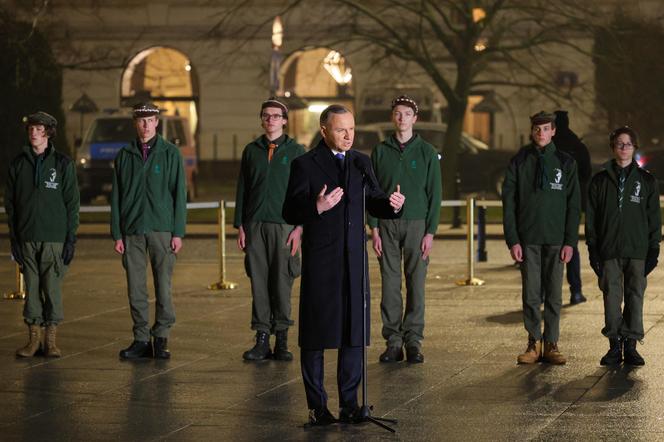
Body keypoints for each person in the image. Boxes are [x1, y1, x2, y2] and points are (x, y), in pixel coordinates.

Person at [283, 104, 405, 425]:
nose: (349, 136)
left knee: (354, 334)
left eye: (351, 129)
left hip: (354, 261)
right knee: (316, 335)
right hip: (322, 262)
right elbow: (289, 211)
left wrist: (391, 206)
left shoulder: (361, 163)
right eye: (341, 129)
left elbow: (375, 199)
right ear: (324, 131)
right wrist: (317, 206)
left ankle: (350, 404)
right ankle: (318, 407)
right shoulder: (305, 165)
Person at [502, 111, 580, 365]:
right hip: (528, 239)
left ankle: (552, 343)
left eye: (546, 128)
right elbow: (509, 203)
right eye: (537, 128)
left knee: (555, 295)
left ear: (553, 131)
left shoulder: (566, 162)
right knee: (531, 294)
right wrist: (513, 239)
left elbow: (573, 204)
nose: (541, 133)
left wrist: (570, 241)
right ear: (532, 130)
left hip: (556, 239)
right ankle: (533, 342)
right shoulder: (519, 160)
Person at [368, 95, 442, 364]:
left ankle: (413, 339)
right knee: (389, 283)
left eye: (407, 114)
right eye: (397, 113)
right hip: (386, 224)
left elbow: (435, 194)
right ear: (393, 117)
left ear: (415, 118)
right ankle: (393, 341)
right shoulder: (380, 151)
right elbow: (372, 191)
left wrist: (430, 231)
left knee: (416, 283)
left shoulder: (426, 152)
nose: (401, 118)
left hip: (416, 223)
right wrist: (373, 227)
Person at [111, 102, 187, 360]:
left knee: (163, 286)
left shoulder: (170, 153)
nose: (145, 125)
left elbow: (179, 195)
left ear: (157, 122)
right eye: (141, 120)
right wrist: (117, 233)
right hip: (132, 229)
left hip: (162, 229)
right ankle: (141, 338)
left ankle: (161, 337)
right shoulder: (124, 155)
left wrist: (178, 232)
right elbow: (117, 197)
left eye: (150, 120)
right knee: (136, 288)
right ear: (135, 122)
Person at [234, 98, 305, 361]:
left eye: (276, 116)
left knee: (282, 280)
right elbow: (243, 188)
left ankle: (283, 338)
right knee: (259, 281)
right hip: (255, 224)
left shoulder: (297, 151)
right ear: (262, 119)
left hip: (284, 225)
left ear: (284, 120)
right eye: (266, 115)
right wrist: (241, 224)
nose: (271, 120)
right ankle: (262, 336)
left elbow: (304, 192)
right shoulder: (251, 150)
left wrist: (300, 227)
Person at [6, 111, 80, 358]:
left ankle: (51, 340)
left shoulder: (62, 164)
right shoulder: (18, 164)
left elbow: (72, 204)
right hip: (27, 237)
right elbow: (11, 205)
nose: (33, 133)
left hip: (54, 237)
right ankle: (33, 339)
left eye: (38, 129)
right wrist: (14, 238)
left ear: (48, 132)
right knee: (32, 288)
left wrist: (71, 238)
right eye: (31, 129)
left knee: (52, 288)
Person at [586, 126, 661, 366]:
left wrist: (653, 248)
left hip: (637, 250)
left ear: (635, 148)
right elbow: (592, 218)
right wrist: (593, 248)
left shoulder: (646, 181)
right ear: (613, 147)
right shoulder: (599, 180)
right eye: (619, 143)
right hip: (609, 250)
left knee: (635, 296)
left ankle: (631, 344)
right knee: (611, 297)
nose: (624, 148)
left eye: (628, 144)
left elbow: (653, 218)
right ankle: (614, 344)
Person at [553, 110, 592, 305]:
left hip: (552, 202)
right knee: (571, 245)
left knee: (550, 248)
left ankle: (546, 291)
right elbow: (586, 173)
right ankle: (576, 290)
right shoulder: (578, 146)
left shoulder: (550, 145)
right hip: (573, 202)